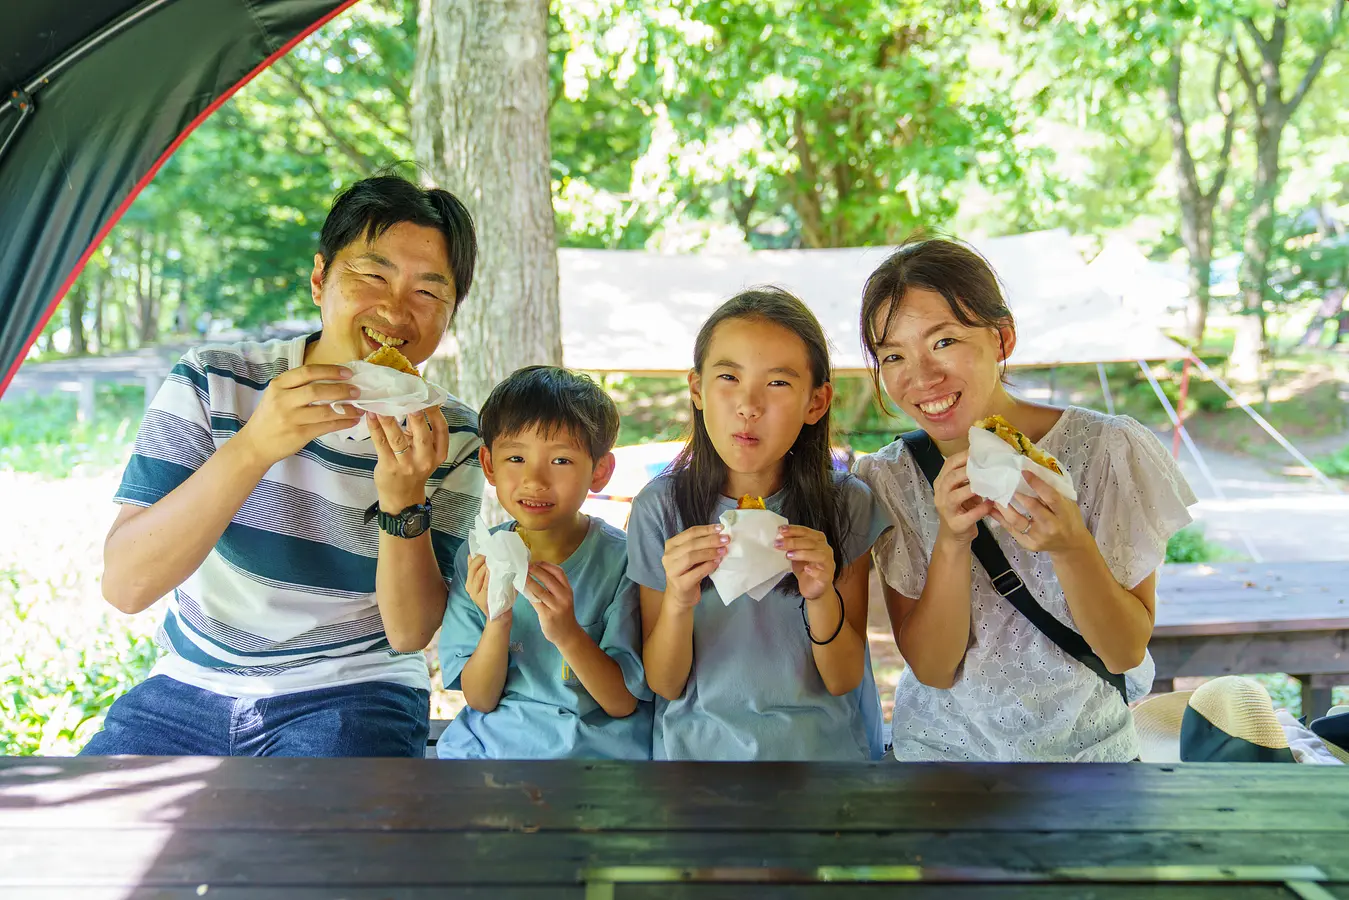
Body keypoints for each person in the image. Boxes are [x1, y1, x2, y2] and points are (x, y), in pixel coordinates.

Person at [82, 173, 482, 757]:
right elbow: (126, 585)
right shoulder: (214, 382)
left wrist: (403, 500)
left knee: (318, 849)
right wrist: (254, 445)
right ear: (320, 278)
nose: (396, 310)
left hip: (355, 691)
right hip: (190, 683)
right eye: (372, 275)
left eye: (428, 292)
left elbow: (409, 633)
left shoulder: (450, 434)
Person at [853, 237, 1197, 762]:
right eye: (893, 355)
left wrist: (1071, 544)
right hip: (941, 765)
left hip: (1091, 763)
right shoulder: (891, 478)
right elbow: (932, 668)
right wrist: (950, 539)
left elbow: (1125, 651)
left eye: (944, 342)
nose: (921, 377)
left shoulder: (1107, 450)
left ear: (1002, 338)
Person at [628, 287, 888, 761]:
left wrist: (821, 594)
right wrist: (680, 600)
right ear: (696, 389)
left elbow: (844, 677)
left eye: (778, 383)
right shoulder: (661, 508)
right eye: (728, 376)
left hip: (821, 759)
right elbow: (663, 683)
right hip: (695, 761)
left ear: (817, 402)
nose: (749, 405)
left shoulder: (846, 503)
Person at [437, 366, 653, 759]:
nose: (535, 480)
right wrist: (497, 620)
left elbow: (621, 703)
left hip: (592, 754)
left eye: (561, 461)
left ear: (600, 471)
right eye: (516, 457)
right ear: (488, 464)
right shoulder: (478, 559)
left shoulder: (622, 561)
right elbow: (480, 699)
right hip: (494, 748)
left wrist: (568, 632)